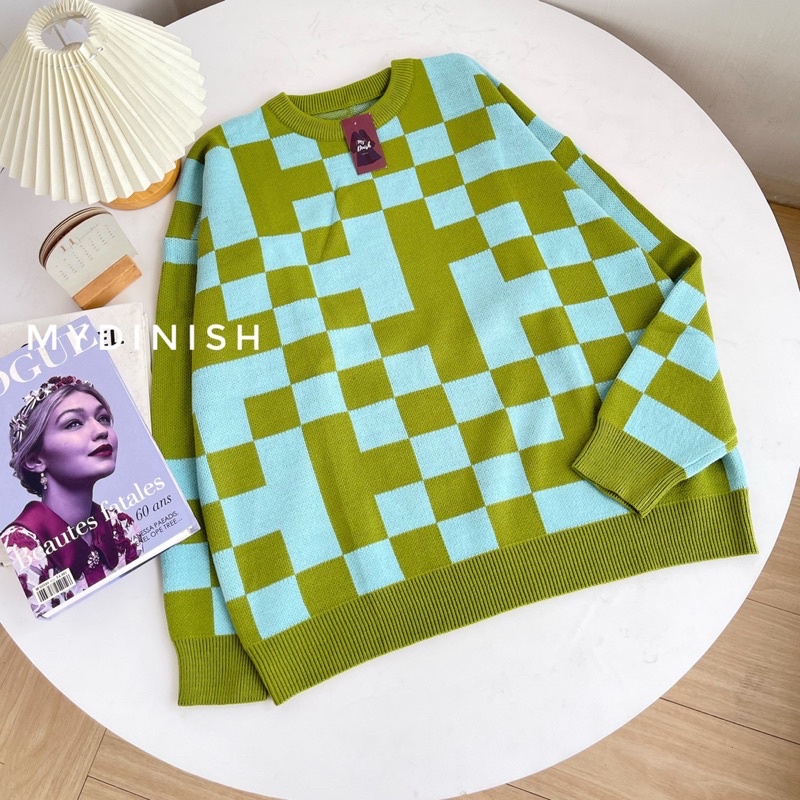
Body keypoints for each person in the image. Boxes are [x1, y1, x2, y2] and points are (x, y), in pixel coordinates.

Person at [1, 375, 142, 615]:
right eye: (73, 423)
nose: (101, 431)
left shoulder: (123, 527)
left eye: (103, 418)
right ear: (35, 460)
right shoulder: (18, 551)